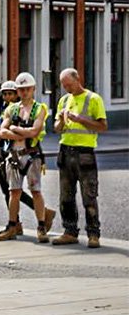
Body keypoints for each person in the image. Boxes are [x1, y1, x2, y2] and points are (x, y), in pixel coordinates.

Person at [0, 73, 53, 243]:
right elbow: (1, 132)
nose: (25, 92)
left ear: (33, 89)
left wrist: (14, 128)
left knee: (36, 191)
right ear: (18, 91)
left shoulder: (40, 108)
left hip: (32, 155)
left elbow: (34, 131)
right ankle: (12, 226)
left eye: (28, 89)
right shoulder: (11, 109)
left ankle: (41, 227)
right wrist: (20, 132)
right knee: (14, 192)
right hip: (14, 156)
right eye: (21, 89)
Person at [52, 68, 107, 248]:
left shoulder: (93, 99)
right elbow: (57, 128)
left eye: (68, 84)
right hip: (65, 150)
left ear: (78, 79)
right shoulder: (64, 100)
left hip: (85, 152)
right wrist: (60, 120)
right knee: (65, 196)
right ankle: (69, 231)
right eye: (64, 85)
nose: (66, 88)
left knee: (89, 195)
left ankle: (93, 234)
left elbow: (102, 126)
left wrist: (80, 119)